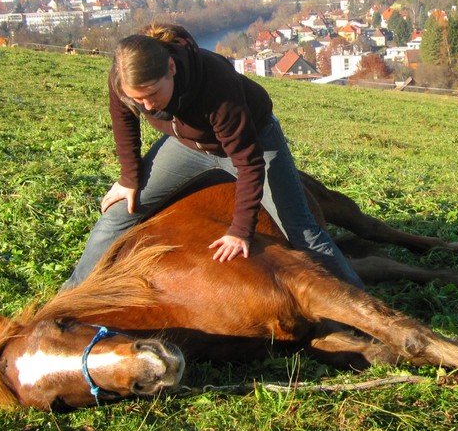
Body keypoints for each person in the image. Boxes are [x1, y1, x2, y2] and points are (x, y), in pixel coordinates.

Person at [63, 23, 363, 290]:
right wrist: (129, 177)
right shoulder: (124, 78)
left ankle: (360, 301)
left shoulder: (217, 86)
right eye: (137, 99)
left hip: (254, 142)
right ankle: (71, 294)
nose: (148, 107)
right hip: (188, 147)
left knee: (301, 229)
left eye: (152, 94)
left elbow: (249, 163)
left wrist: (240, 230)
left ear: (171, 67)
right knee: (120, 211)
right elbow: (124, 123)